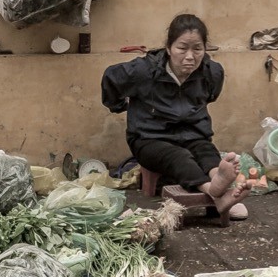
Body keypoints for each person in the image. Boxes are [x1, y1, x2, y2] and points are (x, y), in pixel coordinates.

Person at [101, 14, 250, 219]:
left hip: (192, 134)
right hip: (149, 139)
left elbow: (211, 95)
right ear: (169, 48)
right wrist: (119, 105)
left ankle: (219, 178)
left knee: (205, 150)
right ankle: (214, 192)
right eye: (182, 48)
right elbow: (111, 78)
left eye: (197, 49)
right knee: (179, 157)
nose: (190, 56)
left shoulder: (210, 72)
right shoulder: (144, 71)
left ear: (204, 49)